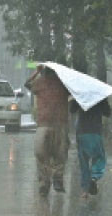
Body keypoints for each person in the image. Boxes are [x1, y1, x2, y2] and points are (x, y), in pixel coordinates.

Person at [24, 65, 70, 195]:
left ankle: (55, 180)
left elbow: (27, 83)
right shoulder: (41, 82)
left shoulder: (63, 84)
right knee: (47, 153)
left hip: (58, 123)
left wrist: (36, 72)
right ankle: (46, 182)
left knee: (55, 154)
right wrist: (37, 72)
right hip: (47, 123)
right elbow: (27, 84)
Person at [70, 98, 111, 198]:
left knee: (83, 162)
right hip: (95, 131)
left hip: (82, 133)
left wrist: (75, 99)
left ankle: (85, 190)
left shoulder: (80, 94)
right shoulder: (100, 96)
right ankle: (94, 178)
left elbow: (72, 110)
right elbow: (108, 113)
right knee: (99, 157)